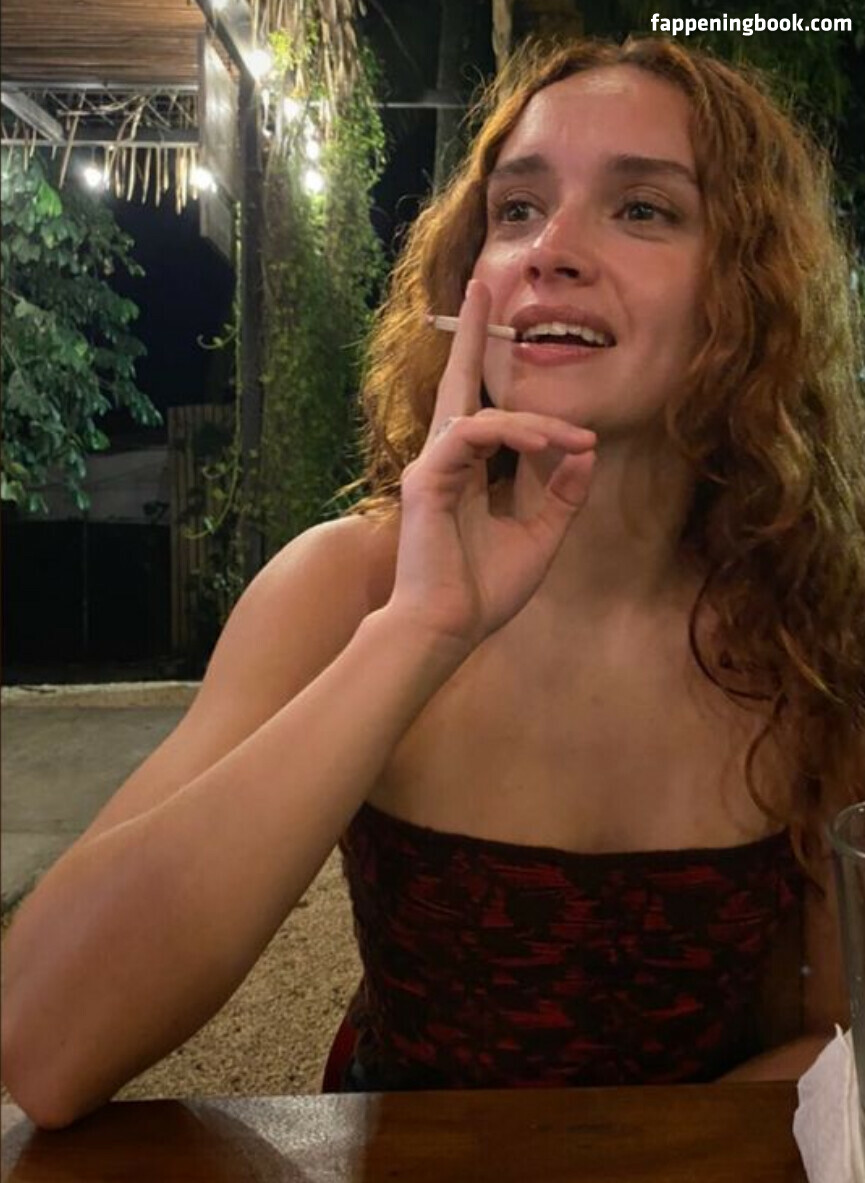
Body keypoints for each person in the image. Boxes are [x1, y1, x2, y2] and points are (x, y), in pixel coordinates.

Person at [2, 35, 863, 1125]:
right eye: (516, 209)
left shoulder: (818, 631)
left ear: (747, 294)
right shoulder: (343, 586)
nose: (549, 249)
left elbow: (834, 1035)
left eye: (642, 208)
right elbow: (43, 1046)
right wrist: (417, 630)